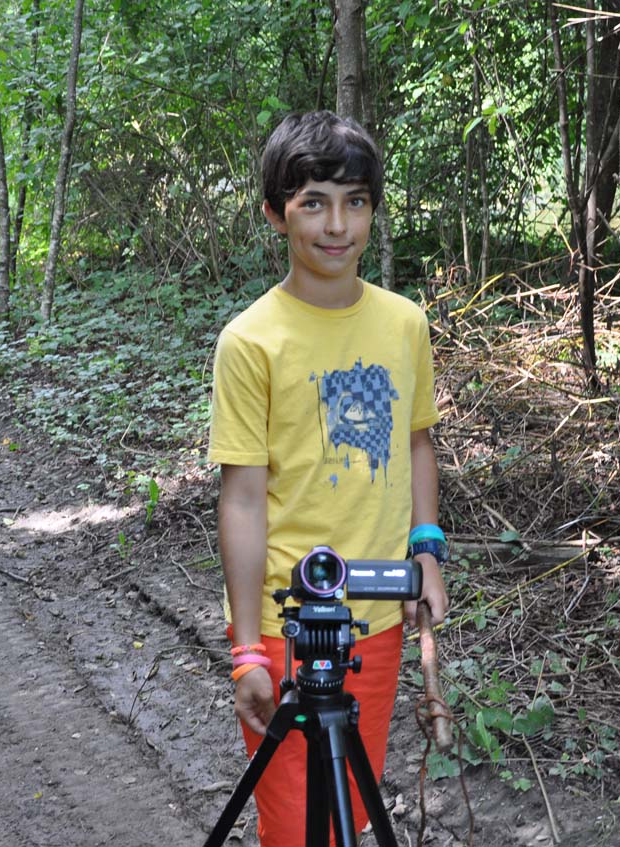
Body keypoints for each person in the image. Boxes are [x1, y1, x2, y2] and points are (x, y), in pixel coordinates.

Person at [207, 110, 450, 846]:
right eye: (313, 202)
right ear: (275, 213)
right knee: (294, 826)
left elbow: (417, 443)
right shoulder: (251, 341)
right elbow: (242, 499)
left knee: (352, 809)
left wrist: (426, 551)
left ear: (373, 210)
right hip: (287, 626)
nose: (337, 225)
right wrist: (247, 650)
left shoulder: (404, 323)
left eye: (355, 202)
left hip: (375, 618)